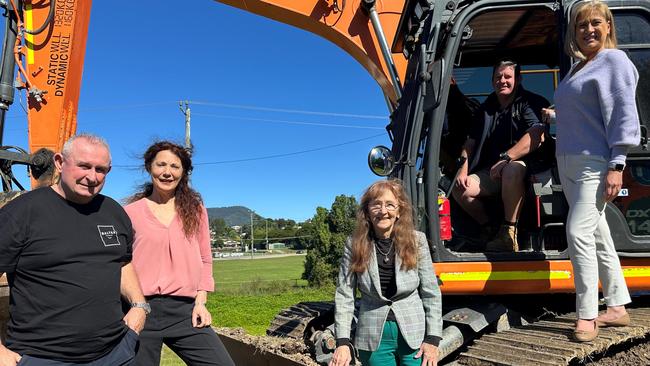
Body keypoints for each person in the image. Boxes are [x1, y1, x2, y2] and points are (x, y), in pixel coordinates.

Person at [0, 134, 147, 365]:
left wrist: (139, 305)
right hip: (43, 357)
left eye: (101, 170)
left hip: (115, 353)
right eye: (84, 166)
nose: (92, 177)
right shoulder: (22, 212)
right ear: (59, 162)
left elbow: (122, 262)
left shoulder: (113, 212)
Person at [542, 0, 639, 342]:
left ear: (608, 26)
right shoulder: (579, 67)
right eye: (581, 26)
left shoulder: (614, 61)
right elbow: (587, 112)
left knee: (578, 233)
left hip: (594, 164)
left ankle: (586, 314)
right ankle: (617, 306)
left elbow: (623, 113)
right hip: (568, 162)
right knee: (598, 236)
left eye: (595, 23)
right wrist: (555, 115)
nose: (588, 30)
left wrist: (618, 163)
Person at [124, 141, 234, 366]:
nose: (167, 172)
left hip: (184, 311)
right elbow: (121, 263)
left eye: (175, 166)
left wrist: (201, 302)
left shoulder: (195, 210)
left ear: (183, 172)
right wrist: (136, 306)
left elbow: (205, 258)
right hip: (141, 309)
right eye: (161, 165)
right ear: (149, 168)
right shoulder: (130, 213)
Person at [329, 179, 442, 366]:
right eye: (376, 205)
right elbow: (344, 294)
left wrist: (433, 338)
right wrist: (342, 341)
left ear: (399, 211)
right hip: (372, 336)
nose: (383, 211)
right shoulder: (354, 244)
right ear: (367, 211)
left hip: (414, 333)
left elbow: (431, 292)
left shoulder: (417, 241)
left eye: (390, 205)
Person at [452, 58, 549, 252]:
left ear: (518, 79)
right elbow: (470, 142)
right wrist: (462, 169)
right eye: (498, 77)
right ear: (492, 81)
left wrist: (506, 158)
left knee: (511, 170)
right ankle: (491, 228)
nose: (502, 81)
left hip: (526, 167)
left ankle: (509, 234)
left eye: (507, 76)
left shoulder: (530, 102)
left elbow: (537, 134)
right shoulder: (486, 108)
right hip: (493, 170)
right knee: (458, 188)